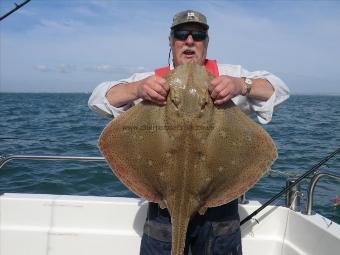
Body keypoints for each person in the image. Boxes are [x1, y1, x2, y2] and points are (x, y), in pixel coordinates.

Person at [88, 10, 290, 255]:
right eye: (182, 34)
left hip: (219, 207)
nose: (190, 40)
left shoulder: (229, 74)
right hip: (163, 206)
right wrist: (138, 89)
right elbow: (98, 99)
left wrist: (241, 85)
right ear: (171, 40)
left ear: (207, 41)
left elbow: (277, 90)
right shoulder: (151, 80)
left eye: (198, 35)